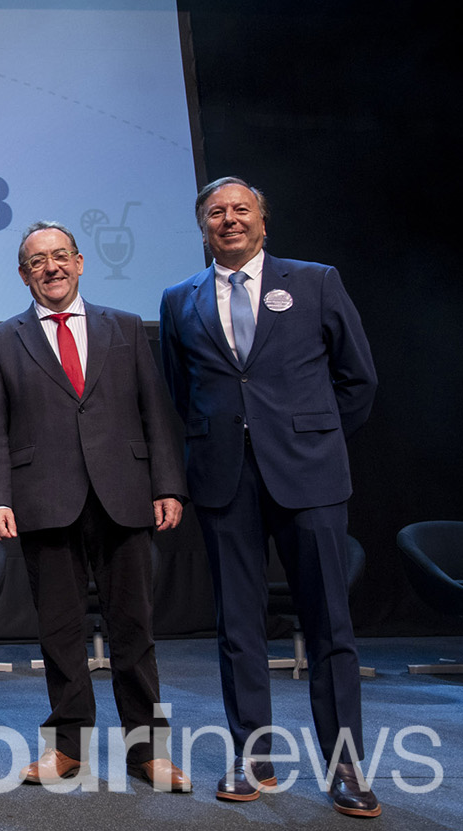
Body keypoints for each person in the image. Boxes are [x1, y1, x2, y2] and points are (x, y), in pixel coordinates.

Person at [159, 177, 379, 817]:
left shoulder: (315, 281)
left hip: (309, 477)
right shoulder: (180, 299)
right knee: (238, 626)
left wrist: (311, 432)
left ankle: (346, 770)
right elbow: (184, 391)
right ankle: (252, 757)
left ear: (262, 221)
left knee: (330, 625)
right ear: (202, 226)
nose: (229, 220)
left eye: (240, 210)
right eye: (215, 213)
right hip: (225, 479)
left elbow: (358, 378)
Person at [0, 221, 191, 792]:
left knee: (134, 629)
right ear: (23, 275)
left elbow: (155, 413)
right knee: (59, 631)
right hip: (43, 498)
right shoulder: (1, 341)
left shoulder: (122, 327)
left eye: (60, 256)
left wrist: (167, 484)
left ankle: (147, 751)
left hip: (124, 494)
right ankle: (66, 747)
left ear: (78, 262)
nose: (51, 267)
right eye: (37, 261)